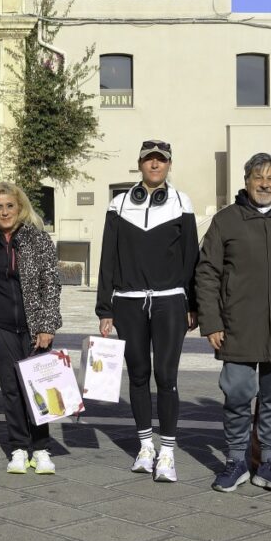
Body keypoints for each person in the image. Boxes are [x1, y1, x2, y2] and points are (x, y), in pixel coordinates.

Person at [196, 152, 271, 494]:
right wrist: (211, 321)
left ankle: (269, 463)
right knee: (236, 393)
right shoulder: (226, 221)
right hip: (238, 325)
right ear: (246, 180)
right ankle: (236, 461)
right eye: (258, 177)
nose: (265, 184)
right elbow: (207, 273)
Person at [95, 140, 199, 483]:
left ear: (169, 165)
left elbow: (191, 257)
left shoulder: (182, 202)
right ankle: (145, 446)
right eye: (149, 160)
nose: (155, 165)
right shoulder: (119, 204)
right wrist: (105, 307)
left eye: (161, 160)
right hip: (128, 301)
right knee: (138, 374)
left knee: (166, 377)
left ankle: (167, 451)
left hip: (170, 301)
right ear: (139, 164)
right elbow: (108, 258)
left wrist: (193, 304)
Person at [0, 182, 62, 475]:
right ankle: (18, 448)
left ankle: (41, 448)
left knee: (38, 387)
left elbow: (51, 283)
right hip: (0, 326)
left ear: (20, 207)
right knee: (11, 389)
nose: (4, 212)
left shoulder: (37, 239)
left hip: (35, 326)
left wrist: (47, 325)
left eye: (9, 206)